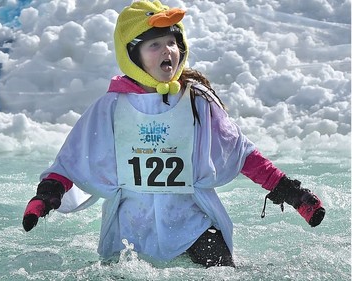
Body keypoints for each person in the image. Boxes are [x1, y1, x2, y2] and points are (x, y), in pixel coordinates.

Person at [22, 0, 325, 268]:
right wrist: (47, 195)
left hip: (192, 221)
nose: (168, 50)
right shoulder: (111, 106)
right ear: (132, 55)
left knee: (223, 272)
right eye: (154, 45)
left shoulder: (196, 101)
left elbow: (241, 153)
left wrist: (292, 193)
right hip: (131, 226)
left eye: (172, 42)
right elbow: (74, 159)